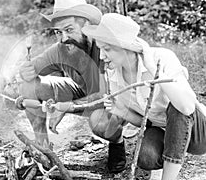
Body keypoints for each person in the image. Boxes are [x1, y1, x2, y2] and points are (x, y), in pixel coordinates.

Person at [81, 13, 206, 180]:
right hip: (162, 130)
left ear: (126, 47)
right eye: (100, 49)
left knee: (175, 106)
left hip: (198, 133)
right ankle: (163, 165)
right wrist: (122, 111)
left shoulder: (161, 57)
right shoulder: (114, 75)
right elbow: (145, 122)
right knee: (146, 156)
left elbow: (186, 107)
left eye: (107, 49)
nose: (102, 56)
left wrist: (154, 70)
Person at [19, 0, 127, 173]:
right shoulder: (60, 49)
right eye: (58, 32)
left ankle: (117, 142)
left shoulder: (105, 48)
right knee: (30, 85)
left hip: (114, 100)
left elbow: (104, 95)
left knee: (99, 124)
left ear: (86, 26)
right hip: (81, 91)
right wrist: (25, 72)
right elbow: (31, 70)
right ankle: (43, 149)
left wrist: (64, 107)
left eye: (69, 30)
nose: (63, 38)